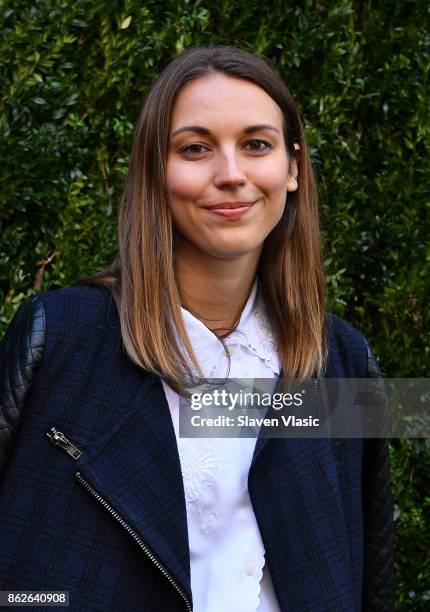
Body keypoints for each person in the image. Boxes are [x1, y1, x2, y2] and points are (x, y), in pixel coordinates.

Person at [0, 45, 393, 611]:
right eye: (195, 149)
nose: (230, 175)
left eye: (256, 145)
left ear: (293, 169)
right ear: (156, 172)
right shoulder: (60, 337)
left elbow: (366, 577)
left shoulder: (344, 361)